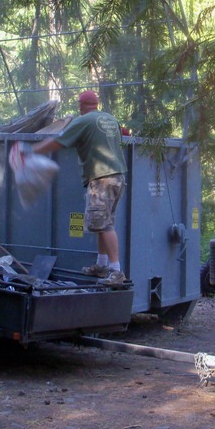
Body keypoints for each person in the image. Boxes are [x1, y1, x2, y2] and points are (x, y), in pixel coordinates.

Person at [29, 90, 128, 286]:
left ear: (81, 105)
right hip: (117, 177)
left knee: (104, 225)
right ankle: (101, 265)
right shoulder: (109, 119)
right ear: (96, 103)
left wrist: (30, 151)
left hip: (101, 178)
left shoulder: (84, 120)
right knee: (102, 223)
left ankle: (116, 272)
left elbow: (58, 141)